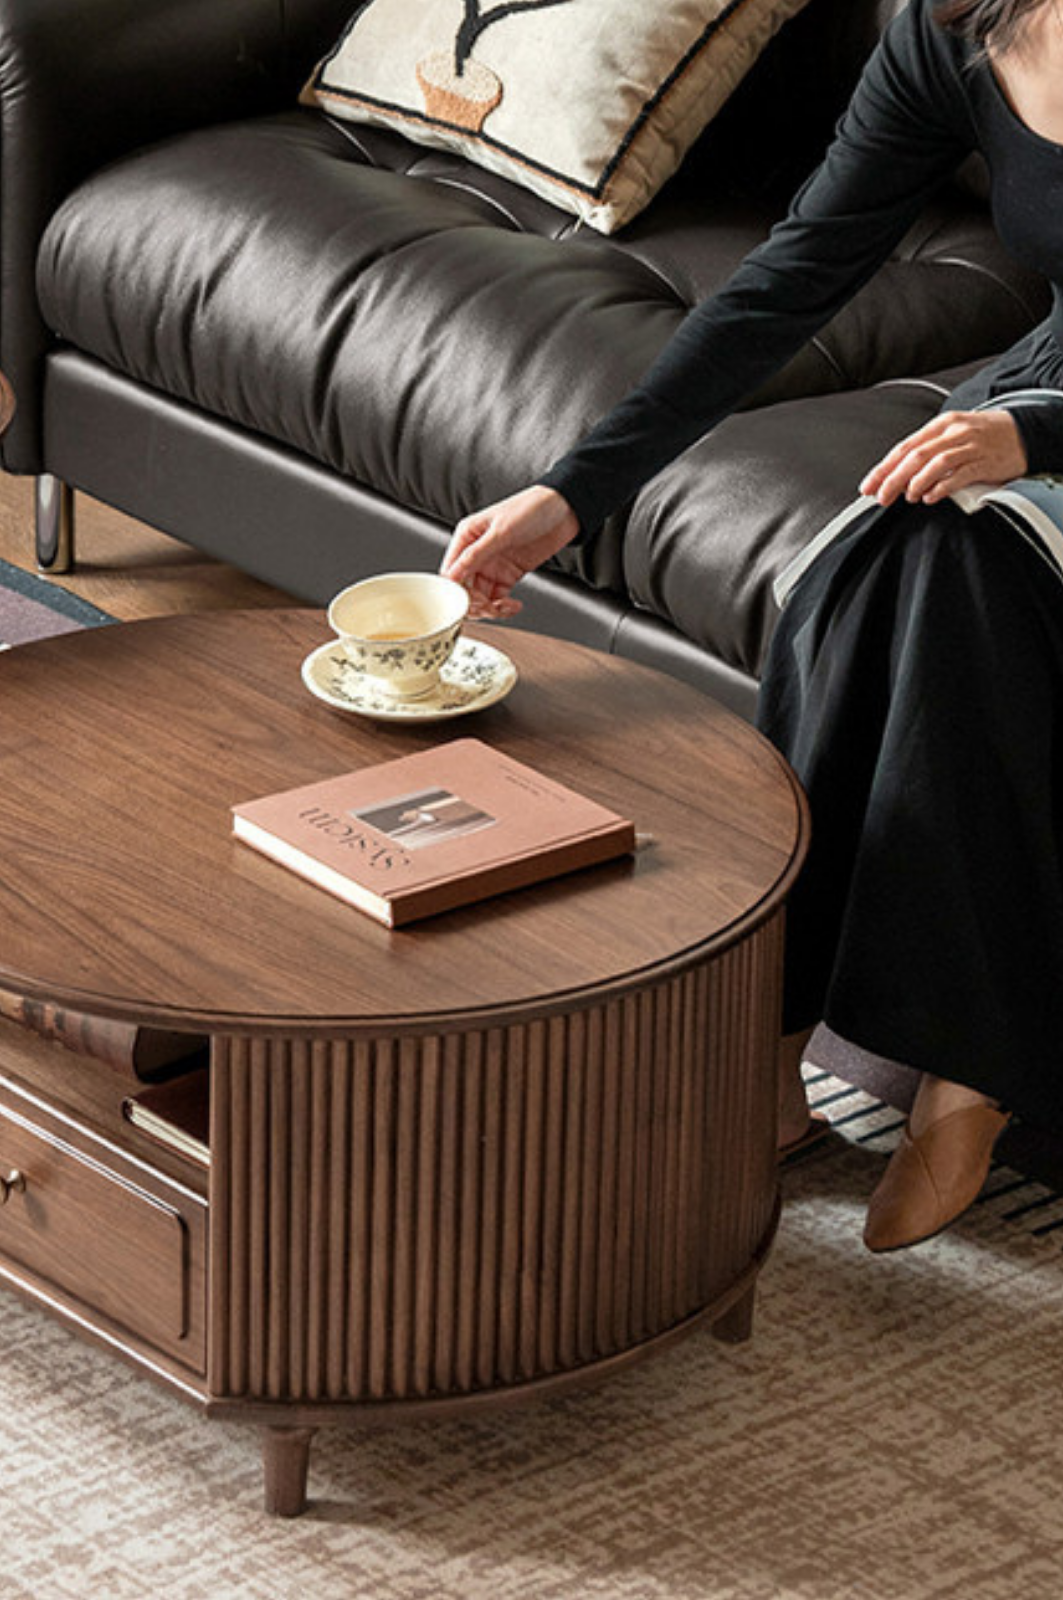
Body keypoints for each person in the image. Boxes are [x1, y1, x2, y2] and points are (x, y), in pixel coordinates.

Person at [442, 0, 1063, 1252]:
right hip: (1042, 385)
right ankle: (778, 1037)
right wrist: (574, 493)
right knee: (868, 562)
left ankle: (968, 1072)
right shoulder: (954, 30)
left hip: (1053, 422)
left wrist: (1037, 438)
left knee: (961, 558)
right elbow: (796, 273)